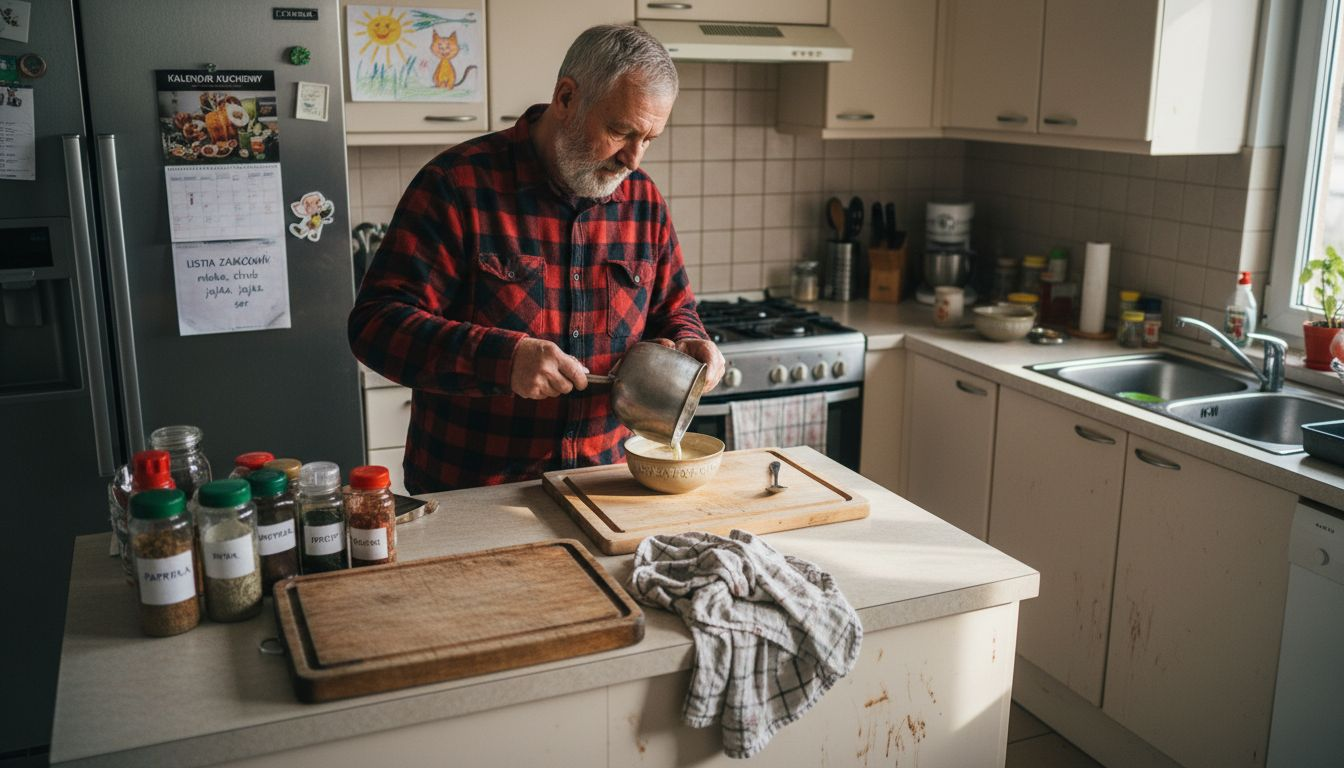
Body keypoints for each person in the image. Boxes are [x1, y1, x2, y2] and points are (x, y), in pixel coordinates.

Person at [349, 24, 725, 493]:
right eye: (620, 131)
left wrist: (692, 342)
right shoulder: (455, 186)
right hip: (475, 491)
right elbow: (376, 327)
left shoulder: (643, 201)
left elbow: (675, 310)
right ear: (566, 98)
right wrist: (503, 360)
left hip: (603, 485)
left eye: (648, 139)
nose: (632, 158)